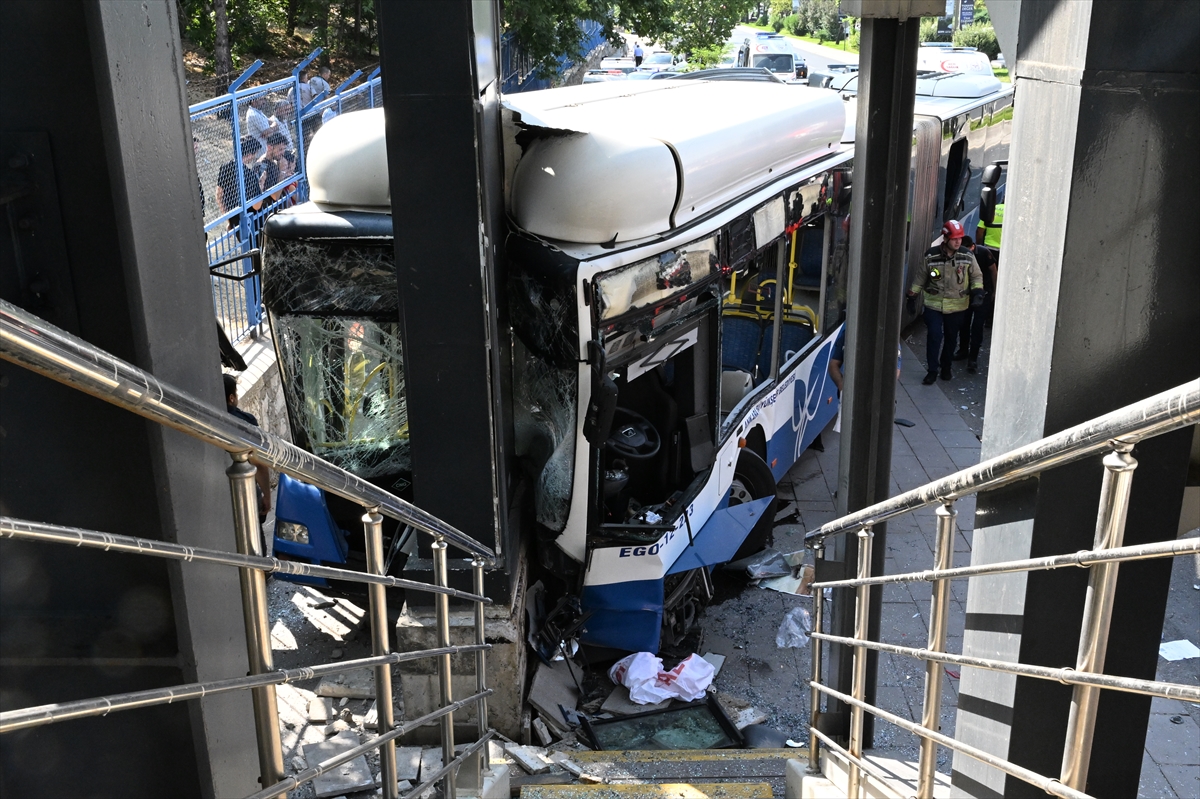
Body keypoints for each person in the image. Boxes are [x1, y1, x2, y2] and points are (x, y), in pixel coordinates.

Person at [908, 220, 983, 385]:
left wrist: (978, 292)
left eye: (960, 238)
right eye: (955, 238)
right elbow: (920, 278)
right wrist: (912, 296)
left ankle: (946, 367)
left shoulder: (967, 256)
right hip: (934, 304)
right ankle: (932, 370)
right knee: (934, 336)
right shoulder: (931, 256)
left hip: (957, 305)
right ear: (946, 238)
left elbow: (977, 276)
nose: (958, 242)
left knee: (951, 338)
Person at [224, 374, 271, 521]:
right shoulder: (245, 421)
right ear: (231, 398)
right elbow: (259, 462)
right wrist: (267, 496)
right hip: (244, 491)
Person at [954, 235, 997, 373]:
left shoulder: (984, 253)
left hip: (983, 293)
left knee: (977, 326)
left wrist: (994, 292)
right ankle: (963, 350)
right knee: (964, 323)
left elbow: (993, 271)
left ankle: (973, 358)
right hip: (967, 294)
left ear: (972, 247)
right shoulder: (960, 254)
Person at [216, 136, 265, 231]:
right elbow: (257, 205)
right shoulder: (250, 175)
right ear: (250, 154)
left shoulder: (225, 167)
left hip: (234, 218)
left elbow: (219, 196)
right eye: (255, 153)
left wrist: (229, 220)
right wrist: (261, 184)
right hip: (251, 221)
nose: (254, 157)